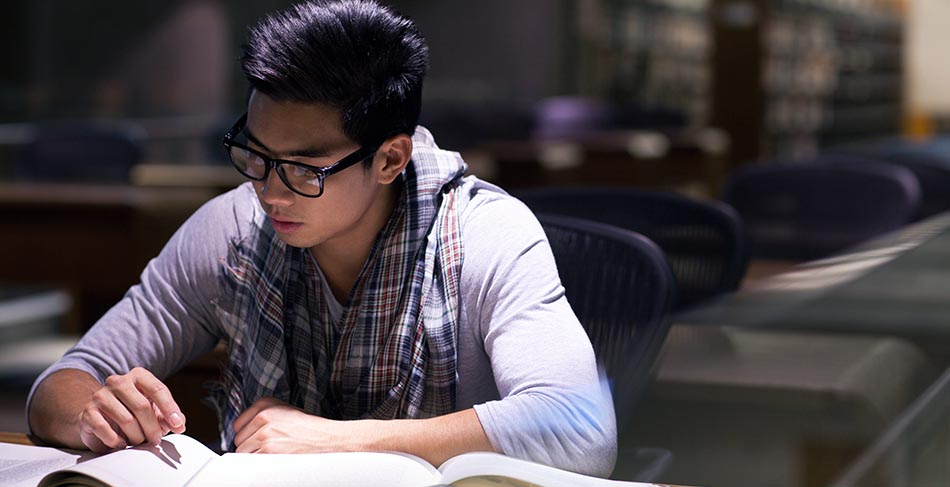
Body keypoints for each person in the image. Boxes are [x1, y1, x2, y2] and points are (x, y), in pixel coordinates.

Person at [27, 0, 616, 477]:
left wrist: (340, 442)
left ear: (389, 159)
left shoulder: (484, 234)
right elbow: (59, 385)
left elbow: (578, 427)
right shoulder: (232, 229)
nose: (270, 192)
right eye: (255, 155)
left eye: (305, 169)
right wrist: (93, 414)